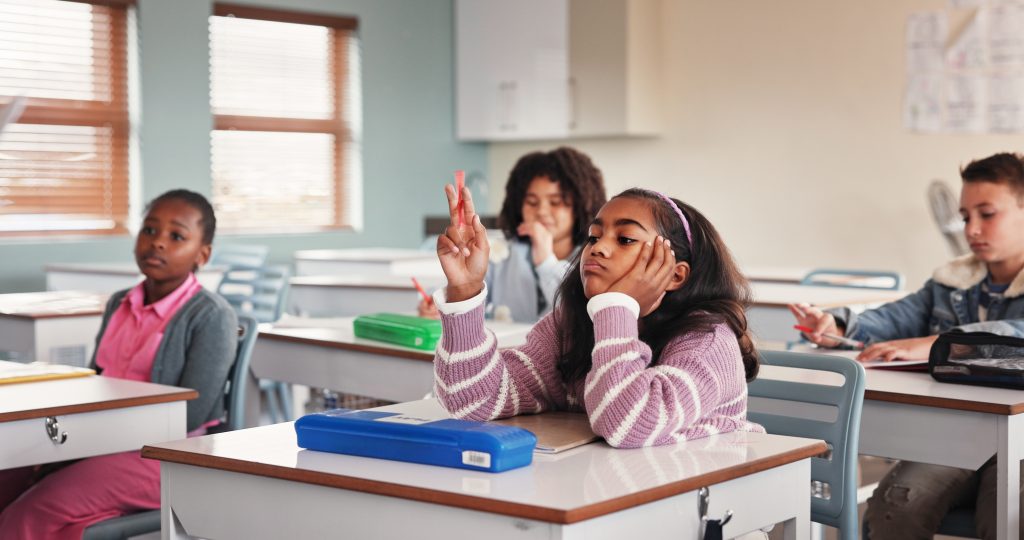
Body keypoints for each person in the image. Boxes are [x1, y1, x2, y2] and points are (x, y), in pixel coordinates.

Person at [790, 152, 1024, 539]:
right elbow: (898, 316)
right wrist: (840, 324)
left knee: (1005, 513)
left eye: (987, 213)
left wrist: (939, 344)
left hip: (1019, 444)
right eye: (966, 217)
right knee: (896, 505)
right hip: (954, 434)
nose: (972, 229)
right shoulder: (952, 281)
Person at [429, 183, 763, 448]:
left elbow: (628, 424)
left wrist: (618, 306)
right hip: (608, 499)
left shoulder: (708, 343)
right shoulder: (570, 328)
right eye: (594, 236)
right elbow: (473, 400)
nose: (599, 247)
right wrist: (466, 291)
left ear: (676, 275)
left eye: (626, 239)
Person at [0, 189, 238, 539]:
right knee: (6, 475)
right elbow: (95, 381)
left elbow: (193, 413)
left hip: (170, 455)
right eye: (149, 230)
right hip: (100, 440)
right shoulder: (119, 303)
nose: (158, 243)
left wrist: (95, 439)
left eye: (176, 236)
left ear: (203, 254)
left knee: (34, 509)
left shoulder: (211, 316)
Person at [419, 147, 606, 323]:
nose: (541, 211)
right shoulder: (500, 253)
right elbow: (462, 292)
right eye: (532, 202)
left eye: (556, 202)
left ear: (580, 206)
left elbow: (579, 313)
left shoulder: (592, 256)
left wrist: (546, 261)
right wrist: (439, 305)